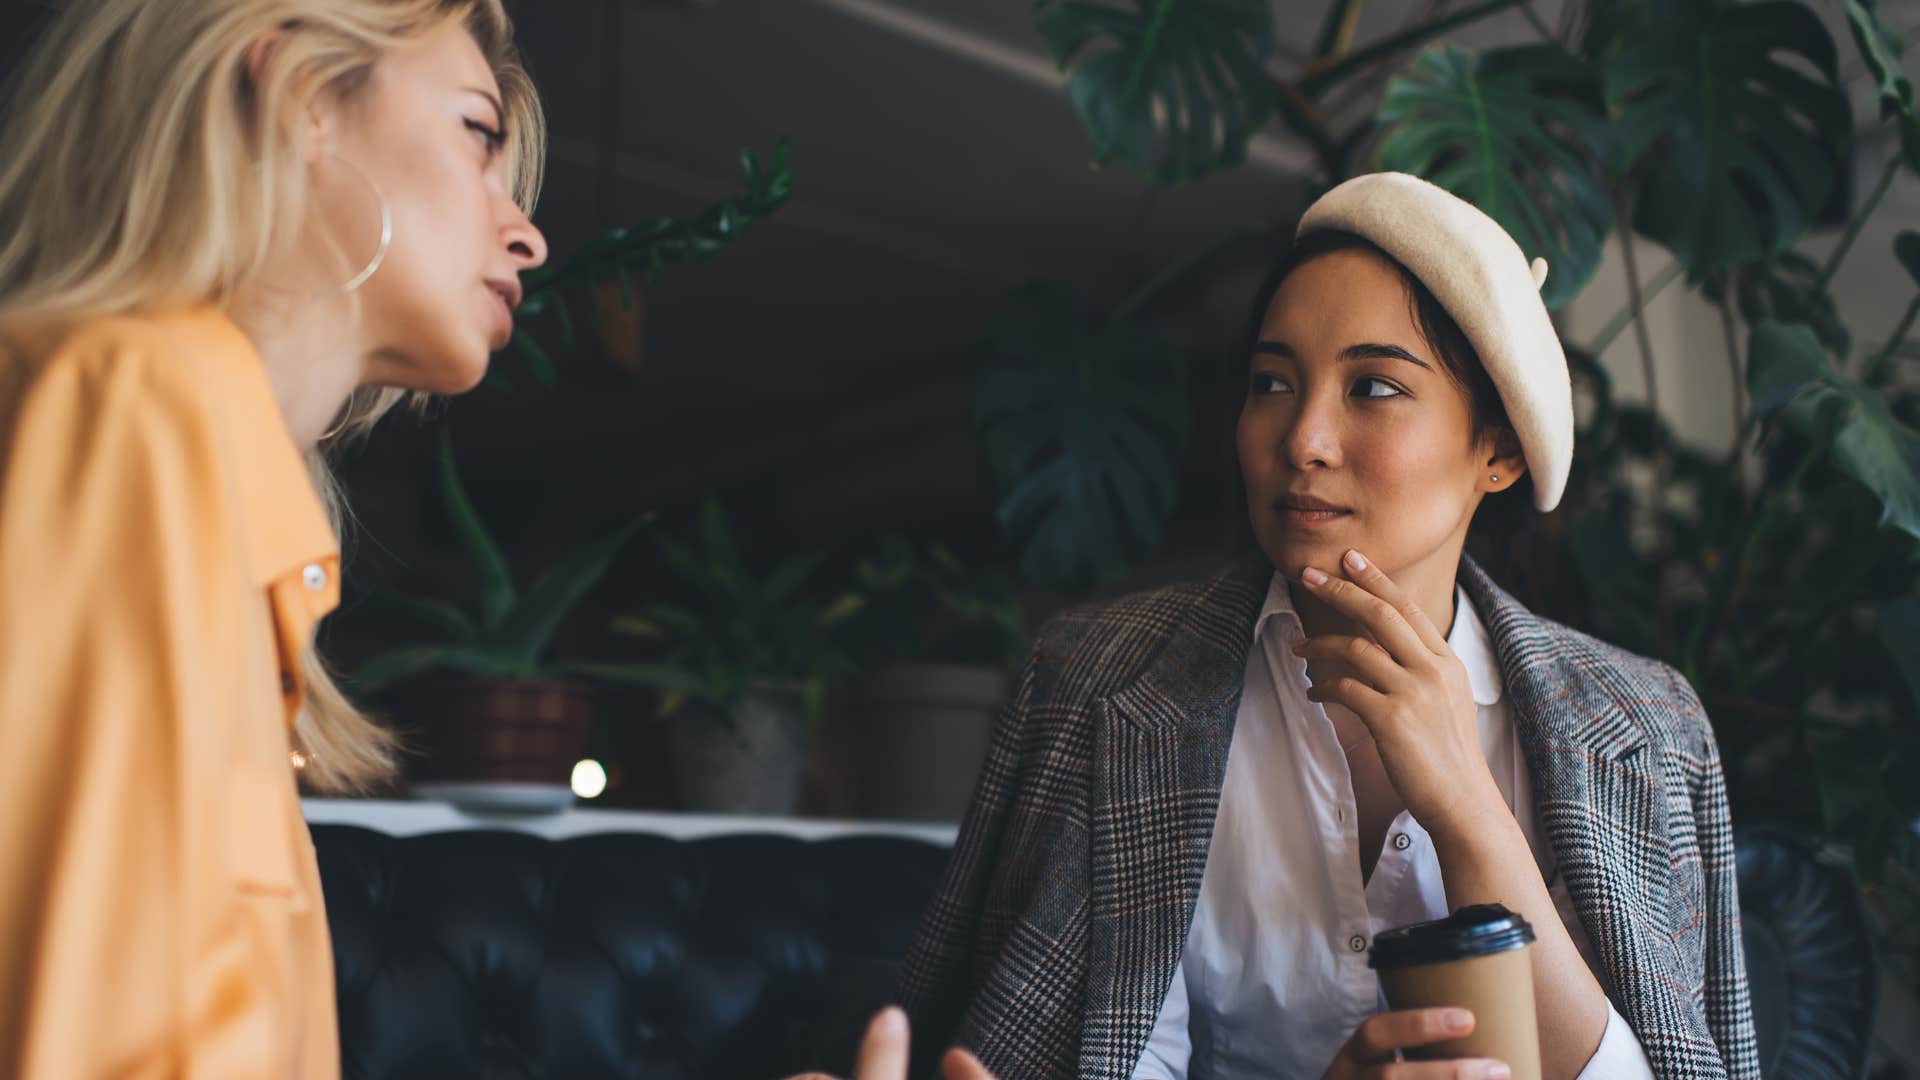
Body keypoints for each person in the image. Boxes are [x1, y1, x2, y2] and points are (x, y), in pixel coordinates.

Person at [892, 174, 1758, 1079]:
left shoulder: (1649, 725)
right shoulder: (1092, 680)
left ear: (1497, 451)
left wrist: (1468, 812)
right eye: (1272, 381)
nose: (1302, 437)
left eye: (1374, 386)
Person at [0, 1, 548, 1074]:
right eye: (479, 138)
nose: (525, 230)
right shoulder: (137, 407)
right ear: (300, 100)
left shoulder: (193, 460)